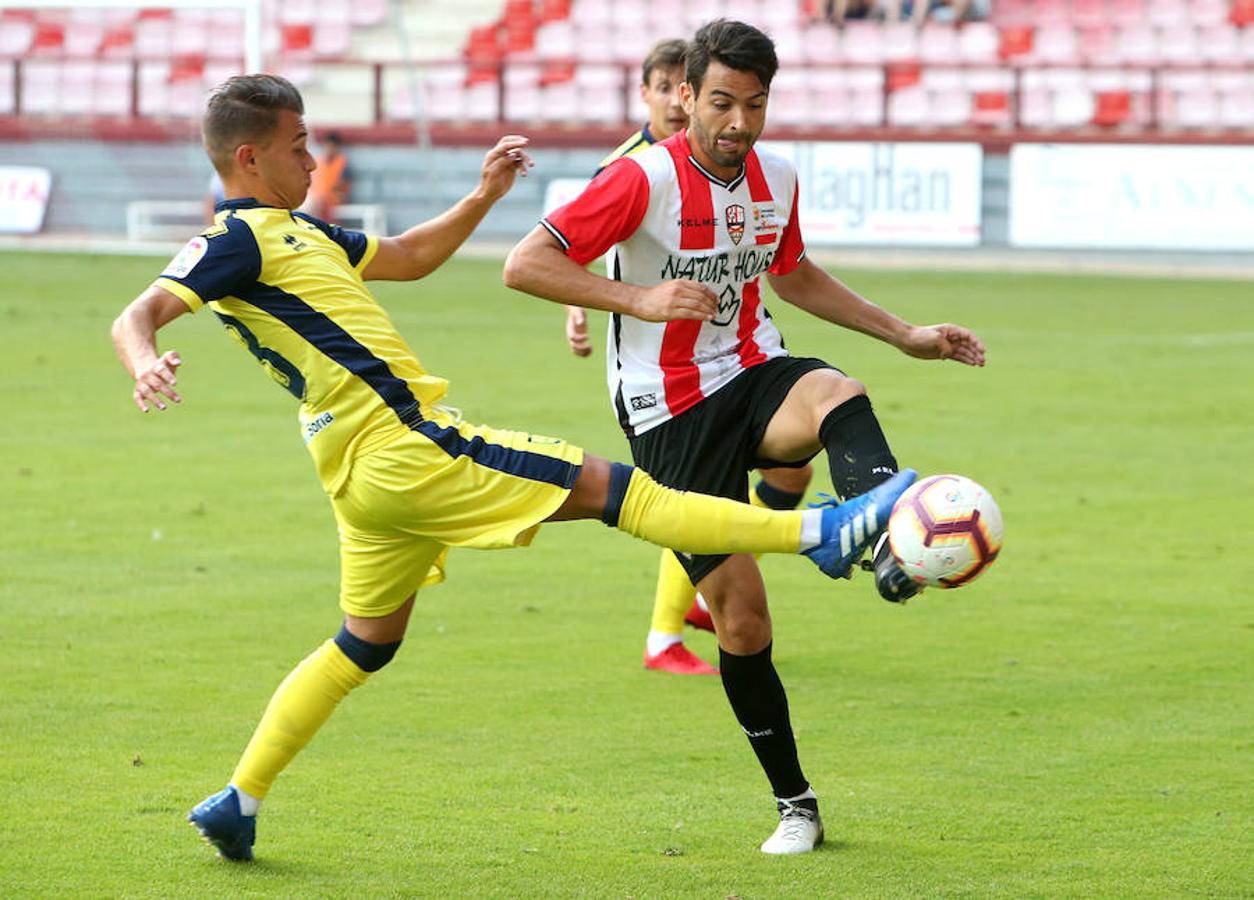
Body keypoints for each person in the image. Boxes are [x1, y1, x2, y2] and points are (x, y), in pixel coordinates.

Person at [110, 73, 914, 863]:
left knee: (365, 642)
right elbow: (138, 312)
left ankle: (239, 800)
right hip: (409, 445)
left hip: (361, 478)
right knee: (618, 493)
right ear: (248, 160)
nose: (314, 159)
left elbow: (409, 256)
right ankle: (824, 530)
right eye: (299, 144)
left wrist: (484, 195)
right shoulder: (236, 238)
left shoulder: (307, 234)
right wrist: (144, 359)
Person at [503, 19, 985, 854]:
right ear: (685, 94)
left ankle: (883, 538)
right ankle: (796, 803)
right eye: (720, 101)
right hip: (668, 414)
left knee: (837, 390)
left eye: (753, 104)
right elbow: (525, 264)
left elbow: (792, 273)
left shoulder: (777, 175)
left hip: (752, 371)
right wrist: (640, 301)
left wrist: (903, 332)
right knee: (744, 625)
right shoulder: (639, 179)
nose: (737, 122)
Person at [565, 38, 815, 677]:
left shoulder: (739, 162)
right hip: (664, 376)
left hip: (738, 352)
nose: (684, 109)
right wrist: (585, 307)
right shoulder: (635, 167)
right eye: (668, 90)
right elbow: (578, 248)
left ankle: (719, 582)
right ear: (654, 93)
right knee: (691, 501)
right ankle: (663, 635)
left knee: (791, 474)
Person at [304, 130, 350, 222]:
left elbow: (343, 187)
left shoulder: (342, 163)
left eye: (332, 146)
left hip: (333, 200)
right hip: (317, 199)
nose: (329, 149)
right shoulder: (319, 161)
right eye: (328, 146)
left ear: (337, 147)